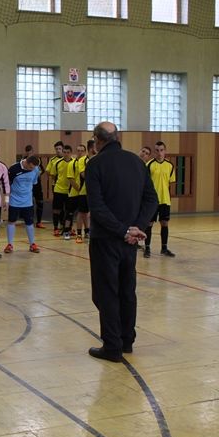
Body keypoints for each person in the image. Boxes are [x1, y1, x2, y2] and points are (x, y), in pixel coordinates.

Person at [85, 122, 158, 362]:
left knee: (106, 292)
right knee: (127, 290)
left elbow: (97, 207)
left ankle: (112, 347)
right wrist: (137, 227)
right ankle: (127, 340)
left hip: (106, 239)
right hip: (130, 241)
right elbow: (151, 200)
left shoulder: (95, 164)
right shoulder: (137, 162)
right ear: (117, 137)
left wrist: (123, 230)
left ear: (97, 140)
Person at [144, 141, 177, 258]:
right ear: (154, 152)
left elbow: (170, 183)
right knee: (149, 224)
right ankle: (147, 248)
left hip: (165, 200)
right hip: (152, 200)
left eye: (161, 150)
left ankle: (164, 248)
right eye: (157, 150)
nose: (159, 153)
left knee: (165, 223)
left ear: (165, 151)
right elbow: (145, 183)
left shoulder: (170, 165)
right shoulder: (149, 165)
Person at [4, 156, 41, 253]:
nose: (32, 169)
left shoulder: (36, 169)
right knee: (11, 221)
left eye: (34, 168)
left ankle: (32, 244)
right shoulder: (14, 168)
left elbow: (34, 183)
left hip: (28, 202)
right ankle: (10, 244)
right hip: (14, 201)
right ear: (26, 163)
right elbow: (7, 185)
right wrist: (6, 200)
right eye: (31, 167)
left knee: (29, 222)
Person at [67, 144, 89, 243]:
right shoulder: (72, 163)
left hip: (84, 192)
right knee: (71, 213)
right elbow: (71, 179)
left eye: (82, 151)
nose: (80, 152)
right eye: (78, 151)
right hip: (75, 192)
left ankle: (87, 231)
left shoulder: (87, 161)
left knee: (85, 213)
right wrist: (79, 189)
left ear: (85, 152)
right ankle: (68, 231)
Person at [45, 141, 66, 234]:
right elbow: (48, 171)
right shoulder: (53, 160)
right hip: (56, 186)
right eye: (56, 149)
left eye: (59, 149)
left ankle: (64, 225)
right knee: (58, 207)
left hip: (68, 187)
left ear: (63, 149)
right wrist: (55, 176)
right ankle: (56, 227)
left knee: (66, 207)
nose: (58, 150)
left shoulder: (69, 160)